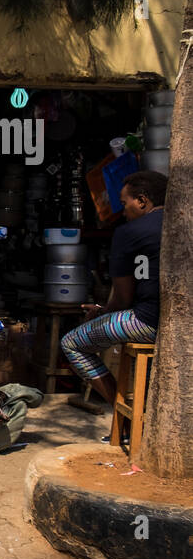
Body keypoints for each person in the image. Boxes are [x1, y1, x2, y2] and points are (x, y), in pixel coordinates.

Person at [61, 170, 165, 412]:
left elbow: (122, 298)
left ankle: (122, 413)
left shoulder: (129, 232)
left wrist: (100, 311)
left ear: (142, 200)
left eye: (124, 203)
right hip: (180, 324)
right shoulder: (181, 224)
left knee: (72, 343)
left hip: (148, 322)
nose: (123, 211)